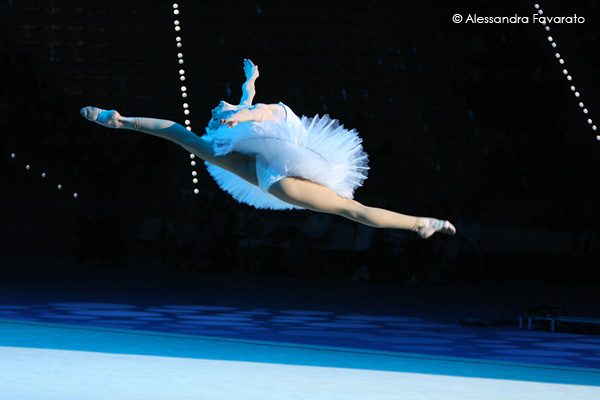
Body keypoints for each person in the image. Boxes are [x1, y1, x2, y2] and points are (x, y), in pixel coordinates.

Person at [80, 59, 455, 239]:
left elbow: (256, 106)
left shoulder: (259, 112)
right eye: (216, 112)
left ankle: (421, 224)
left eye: (219, 108)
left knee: (352, 209)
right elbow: (243, 105)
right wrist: (249, 84)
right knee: (187, 138)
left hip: (287, 157)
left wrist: (245, 98)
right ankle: (121, 121)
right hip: (276, 177)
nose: (215, 109)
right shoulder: (234, 125)